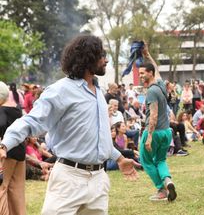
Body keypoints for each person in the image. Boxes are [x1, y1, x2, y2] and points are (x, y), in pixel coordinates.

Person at [0, 35, 139, 215]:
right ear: (88, 57)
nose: (106, 60)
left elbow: (99, 136)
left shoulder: (98, 92)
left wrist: (119, 158)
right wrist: (4, 144)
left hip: (98, 181)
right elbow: (31, 120)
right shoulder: (60, 90)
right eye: (102, 55)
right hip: (69, 179)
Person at [139, 43, 177, 202]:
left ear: (150, 73)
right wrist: (147, 55)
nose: (140, 76)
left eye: (142, 73)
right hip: (167, 132)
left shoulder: (152, 91)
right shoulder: (160, 84)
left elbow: (153, 116)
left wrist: (148, 137)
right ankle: (168, 181)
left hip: (153, 132)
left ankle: (161, 190)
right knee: (160, 160)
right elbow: (157, 68)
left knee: (145, 160)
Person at [0, 81, 27, 215]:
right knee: (17, 189)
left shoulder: (2, 110)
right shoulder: (16, 108)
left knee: (1, 188)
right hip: (20, 151)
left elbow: (1, 124)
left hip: (6, 152)